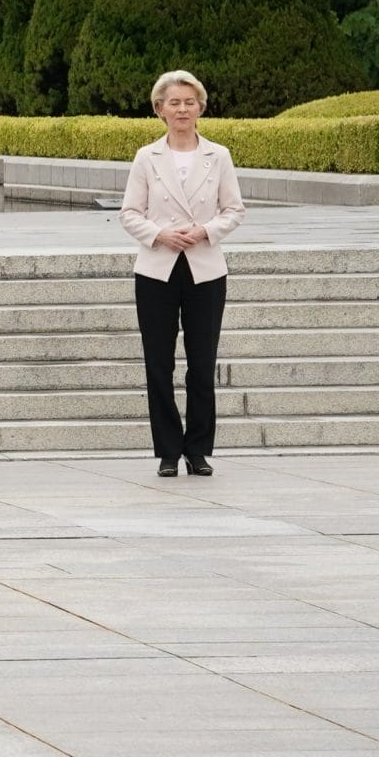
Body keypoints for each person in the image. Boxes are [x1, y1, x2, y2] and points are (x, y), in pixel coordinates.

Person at [120, 69, 245, 478]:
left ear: (201, 107)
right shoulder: (146, 156)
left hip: (205, 268)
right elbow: (129, 213)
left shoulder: (219, 155)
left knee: (202, 363)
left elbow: (234, 210)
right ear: (159, 109)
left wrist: (205, 230)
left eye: (190, 102)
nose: (182, 109)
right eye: (174, 102)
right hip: (157, 269)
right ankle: (168, 451)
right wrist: (160, 234)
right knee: (158, 363)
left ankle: (198, 449)